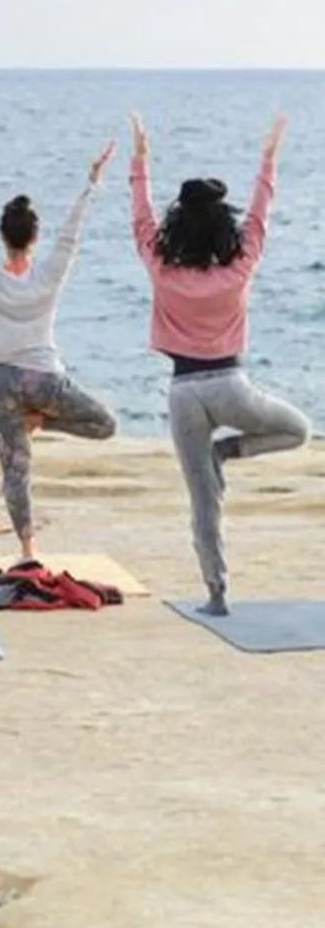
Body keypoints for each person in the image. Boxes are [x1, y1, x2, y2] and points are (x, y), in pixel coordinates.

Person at [130, 111, 306, 615]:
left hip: (184, 392)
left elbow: (140, 219)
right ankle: (229, 452)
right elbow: (259, 216)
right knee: (298, 431)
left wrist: (140, 160)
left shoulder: (161, 266)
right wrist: (268, 158)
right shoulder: (241, 265)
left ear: (178, 223)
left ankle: (217, 594)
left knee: (204, 502)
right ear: (221, 220)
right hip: (231, 385)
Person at [0, 142, 122, 560]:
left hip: (1, 383)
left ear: (2, 237)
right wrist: (91, 183)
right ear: (35, 237)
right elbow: (71, 236)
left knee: (16, 466)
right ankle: (39, 421)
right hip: (45, 380)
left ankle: (27, 548)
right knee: (105, 424)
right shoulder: (48, 275)